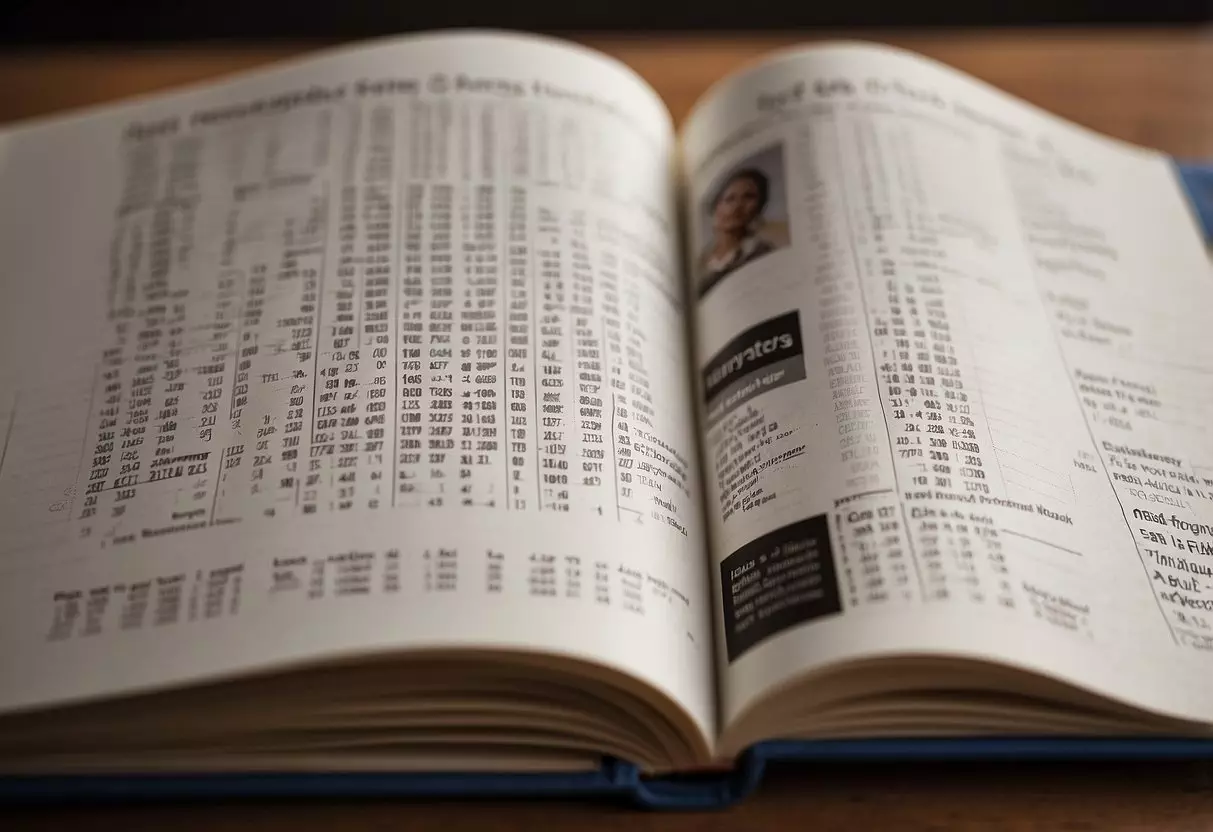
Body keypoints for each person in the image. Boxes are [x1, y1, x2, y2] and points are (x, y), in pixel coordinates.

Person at [696, 167, 784, 298]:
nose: (737, 206)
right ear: (716, 206)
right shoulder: (699, 264)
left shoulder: (761, 253)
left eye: (748, 197)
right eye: (729, 199)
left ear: (759, 205)